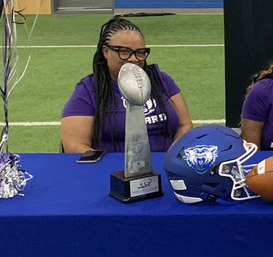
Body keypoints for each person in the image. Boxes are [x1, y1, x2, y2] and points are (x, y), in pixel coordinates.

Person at [61, 16, 192, 155]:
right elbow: (74, 144)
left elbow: (184, 125)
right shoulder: (88, 90)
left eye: (140, 52)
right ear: (105, 51)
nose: (134, 59)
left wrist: (172, 158)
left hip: (164, 168)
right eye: (124, 51)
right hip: (110, 172)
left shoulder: (161, 79)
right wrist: (106, 167)